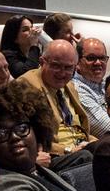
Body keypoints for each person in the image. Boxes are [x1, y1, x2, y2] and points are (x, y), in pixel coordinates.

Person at [16, 39, 98, 169]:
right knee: (86, 157)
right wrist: (68, 150)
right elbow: (30, 139)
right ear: (42, 62)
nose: (62, 73)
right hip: (54, 156)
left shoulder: (69, 86)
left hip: (80, 147)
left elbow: (79, 128)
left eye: (68, 68)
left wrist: (97, 143)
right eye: (56, 66)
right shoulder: (26, 87)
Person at [72, 37, 110, 136]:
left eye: (102, 58)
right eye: (91, 58)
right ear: (77, 62)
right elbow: (107, 129)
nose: (98, 62)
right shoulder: (76, 89)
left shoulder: (105, 85)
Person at [0, 15, 43, 79]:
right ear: (14, 37)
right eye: (25, 29)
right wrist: (34, 46)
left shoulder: (34, 52)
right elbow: (25, 74)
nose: (32, 32)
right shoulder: (7, 55)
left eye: (31, 27)